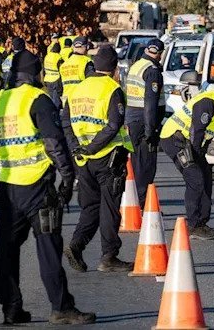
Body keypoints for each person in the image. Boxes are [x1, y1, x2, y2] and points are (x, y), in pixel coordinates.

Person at [0, 51, 96, 325]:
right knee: (48, 246)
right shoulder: (38, 100)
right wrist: (68, 179)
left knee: (7, 249)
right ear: (35, 74)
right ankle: (61, 307)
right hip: (38, 187)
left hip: (7, 188)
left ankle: (11, 308)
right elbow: (55, 144)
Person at [62, 46, 136, 273]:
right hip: (107, 157)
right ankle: (109, 256)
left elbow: (65, 120)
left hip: (83, 160)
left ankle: (76, 244)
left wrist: (78, 147)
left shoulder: (78, 88)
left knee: (91, 206)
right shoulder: (112, 89)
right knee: (110, 207)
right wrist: (93, 147)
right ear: (114, 69)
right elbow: (114, 125)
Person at [159, 71, 214, 240]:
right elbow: (196, 132)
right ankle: (193, 225)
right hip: (175, 138)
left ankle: (201, 223)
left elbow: (204, 135)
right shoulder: (209, 102)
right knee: (196, 178)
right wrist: (196, 156)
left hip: (189, 142)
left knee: (205, 177)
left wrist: (200, 154)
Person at [124, 38, 165, 207]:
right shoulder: (152, 70)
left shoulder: (136, 65)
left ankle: (135, 200)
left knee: (136, 162)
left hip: (132, 118)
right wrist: (151, 130)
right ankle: (142, 203)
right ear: (160, 54)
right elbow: (150, 102)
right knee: (146, 165)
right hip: (144, 120)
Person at [58, 37, 94, 106]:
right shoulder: (87, 62)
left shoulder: (64, 65)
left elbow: (60, 85)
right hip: (81, 100)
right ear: (86, 47)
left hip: (66, 100)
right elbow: (91, 81)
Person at [43, 42, 64, 107]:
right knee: (56, 100)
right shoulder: (58, 57)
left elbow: (44, 68)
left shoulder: (47, 56)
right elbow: (61, 68)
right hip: (56, 79)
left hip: (47, 79)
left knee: (51, 98)